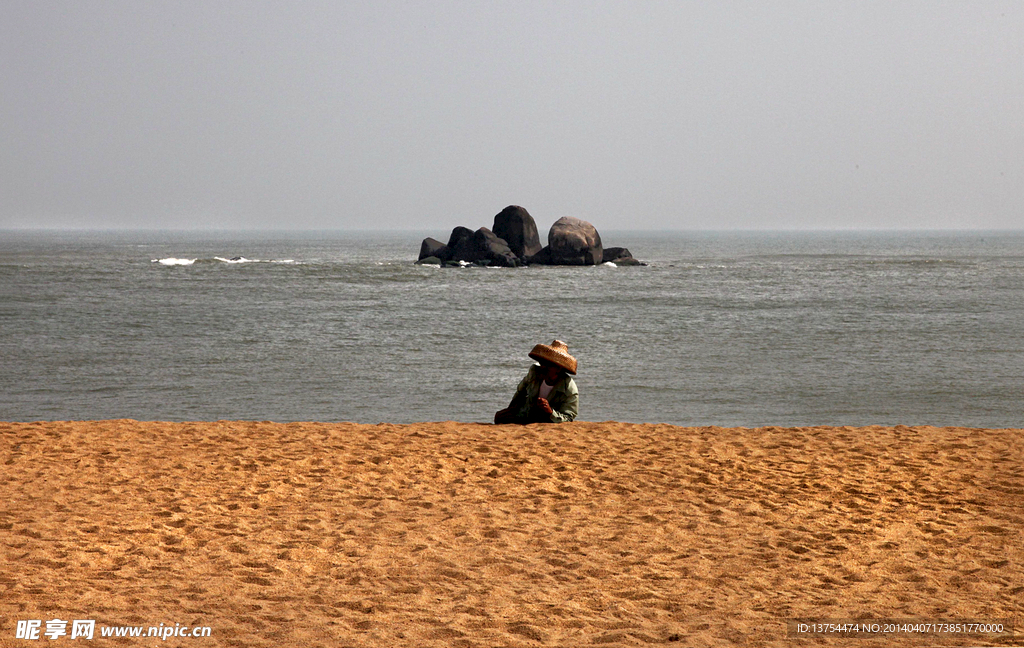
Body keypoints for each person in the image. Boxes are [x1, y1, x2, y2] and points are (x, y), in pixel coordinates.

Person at [494, 340, 579, 424]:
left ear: (559, 369)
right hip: (525, 415)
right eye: (542, 363)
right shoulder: (534, 373)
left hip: (546, 421)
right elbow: (520, 393)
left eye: (548, 365)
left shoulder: (569, 389)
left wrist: (550, 411)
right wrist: (510, 410)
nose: (543, 367)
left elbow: (568, 418)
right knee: (499, 417)